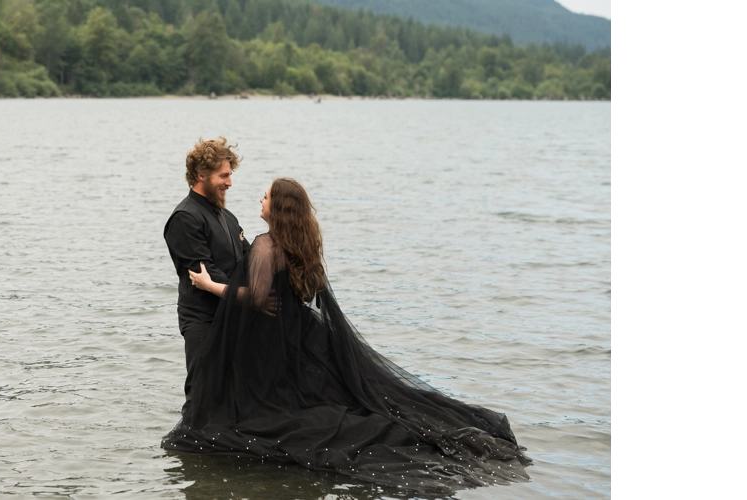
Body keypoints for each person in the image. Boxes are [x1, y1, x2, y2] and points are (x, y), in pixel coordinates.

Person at [162, 178, 531, 496]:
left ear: (278, 208)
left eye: (265, 196)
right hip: (294, 338)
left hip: (270, 343)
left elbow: (258, 298)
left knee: (274, 414)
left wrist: (211, 285)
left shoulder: (266, 245)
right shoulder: (300, 244)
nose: (259, 200)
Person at [163, 137, 251, 412]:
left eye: (230, 175)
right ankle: (191, 451)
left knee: (236, 393)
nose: (229, 182)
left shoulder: (227, 216)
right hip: (203, 319)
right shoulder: (185, 218)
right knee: (203, 394)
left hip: (233, 314)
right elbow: (205, 273)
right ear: (201, 175)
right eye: (224, 175)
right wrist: (251, 296)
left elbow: (249, 258)